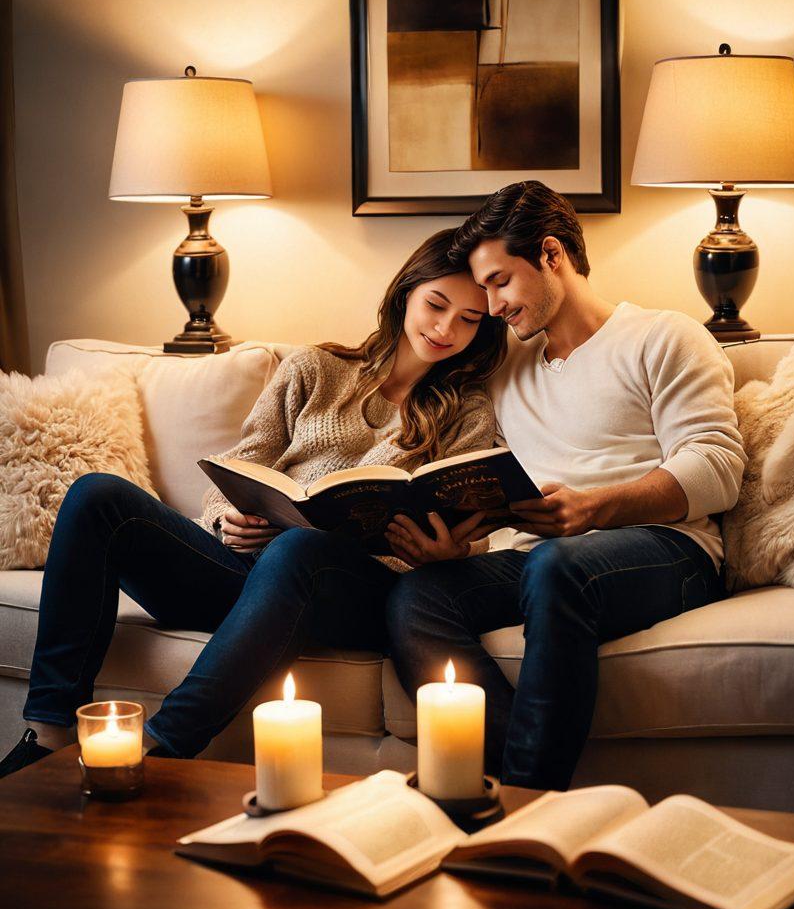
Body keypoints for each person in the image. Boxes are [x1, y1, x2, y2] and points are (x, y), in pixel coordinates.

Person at [0, 229, 506, 778]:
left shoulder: (467, 411)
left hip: (354, 594)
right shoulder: (315, 369)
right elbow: (237, 465)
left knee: (299, 549)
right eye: (436, 304)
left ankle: (160, 749)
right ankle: (48, 733)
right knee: (98, 496)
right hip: (249, 577)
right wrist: (228, 518)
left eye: (469, 319)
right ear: (405, 291)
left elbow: (473, 524)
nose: (445, 328)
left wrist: (446, 552)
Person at [384, 181, 747, 791]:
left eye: (500, 281)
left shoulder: (665, 336)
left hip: (666, 550)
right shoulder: (503, 365)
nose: (492, 306)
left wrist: (597, 508)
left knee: (558, 566)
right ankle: (500, 785)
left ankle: (531, 795)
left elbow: (717, 467)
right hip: (540, 557)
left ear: (552, 254)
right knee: (415, 597)